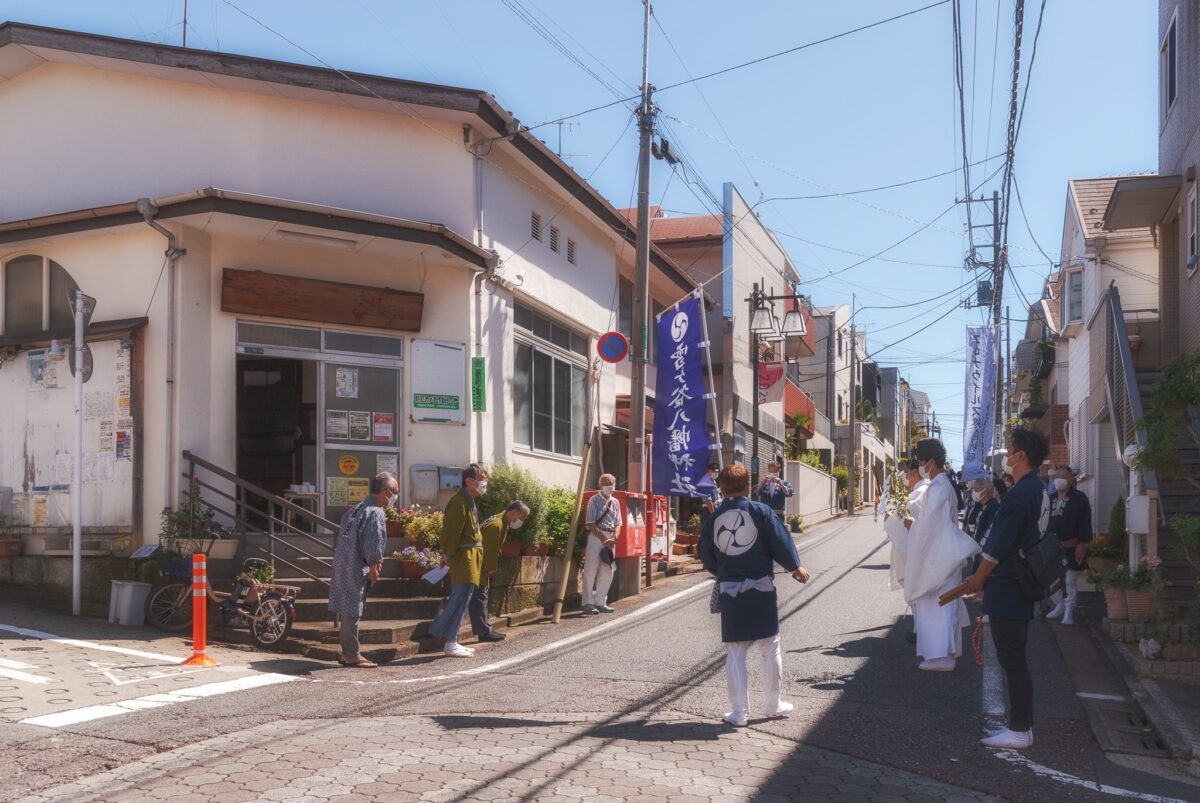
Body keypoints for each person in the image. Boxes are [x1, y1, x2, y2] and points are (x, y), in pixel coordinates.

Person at [699, 463, 810, 727]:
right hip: (761, 586)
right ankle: (773, 705)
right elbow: (780, 541)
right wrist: (795, 567)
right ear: (748, 486)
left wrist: (722, 570)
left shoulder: (714, 519)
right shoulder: (761, 511)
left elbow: (705, 554)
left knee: (735, 650)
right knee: (769, 645)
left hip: (730, 588)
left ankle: (738, 712)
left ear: (721, 489)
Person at [965, 427, 1051, 750]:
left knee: (1012, 659)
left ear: (1021, 456)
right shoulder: (1037, 489)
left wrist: (978, 579)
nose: (1005, 455)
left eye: (1009, 450)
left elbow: (998, 546)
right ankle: (1021, 726)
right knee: (1014, 658)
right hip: (1022, 582)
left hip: (1010, 585)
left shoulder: (1018, 494)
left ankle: (1019, 729)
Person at [902, 439, 980, 672]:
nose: (921, 466)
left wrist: (912, 525)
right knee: (943, 605)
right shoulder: (942, 486)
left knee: (936, 605)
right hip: (943, 553)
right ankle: (943, 655)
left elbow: (929, 527)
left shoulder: (938, 488)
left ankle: (941, 658)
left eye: (923, 461)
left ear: (932, 462)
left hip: (939, 557)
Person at [328, 472, 395, 668]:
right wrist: (375, 567)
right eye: (395, 493)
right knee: (352, 609)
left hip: (343, 559)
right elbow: (373, 544)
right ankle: (351, 654)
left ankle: (348, 651)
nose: (395, 499)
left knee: (347, 608)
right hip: (357, 563)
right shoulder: (375, 512)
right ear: (386, 492)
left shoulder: (356, 509)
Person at [430, 463, 488, 657]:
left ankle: (452, 639)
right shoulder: (459, 502)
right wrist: (446, 553)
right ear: (470, 482)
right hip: (464, 558)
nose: (484, 483)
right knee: (460, 598)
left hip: (470, 557)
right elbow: (451, 530)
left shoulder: (469, 501)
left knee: (463, 598)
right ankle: (449, 640)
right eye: (481, 479)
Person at [469, 501, 530, 643]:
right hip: (479, 567)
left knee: (479, 598)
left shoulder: (498, 521)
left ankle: (485, 629)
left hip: (478, 566)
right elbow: (489, 550)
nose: (522, 521)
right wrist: (491, 568)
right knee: (479, 597)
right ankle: (484, 632)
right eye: (522, 517)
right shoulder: (497, 525)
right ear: (514, 513)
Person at [1044, 464, 1093, 626]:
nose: (1060, 480)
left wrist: (1082, 543)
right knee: (1050, 578)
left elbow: (1085, 523)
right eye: (1057, 477)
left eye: (1064, 477)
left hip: (1071, 544)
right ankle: (1059, 605)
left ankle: (1070, 609)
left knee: (1070, 579)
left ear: (1071, 479)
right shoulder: (1049, 499)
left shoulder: (1079, 498)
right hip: (1051, 546)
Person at [582, 474, 621, 615]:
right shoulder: (594, 500)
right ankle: (587, 602)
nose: (609, 486)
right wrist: (603, 539)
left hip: (610, 537)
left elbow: (618, 523)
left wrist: (614, 538)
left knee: (608, 570)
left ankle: (601, 601)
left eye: (611, 483)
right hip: (596, 537)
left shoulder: (615, 502)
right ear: (600, 485)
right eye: (606, 483)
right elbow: (590, 523)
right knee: (591, 569)